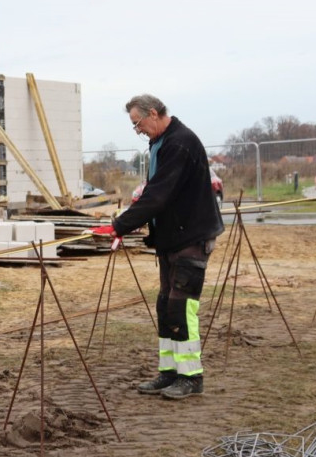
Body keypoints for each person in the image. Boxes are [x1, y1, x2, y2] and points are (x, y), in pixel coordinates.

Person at [91, 94, 224, 399]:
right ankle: (169, 373)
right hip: (171, 239)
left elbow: (159, 196)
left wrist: (119, 225)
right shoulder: (161, 143)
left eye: (137, 124)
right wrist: (131, 218)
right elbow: (153, 192)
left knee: (182, 306)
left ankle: (191, 378)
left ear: (153, 113)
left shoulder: (180, 143)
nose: (138, 131)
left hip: (191, 237)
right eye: (134, 126)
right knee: (165, 305)